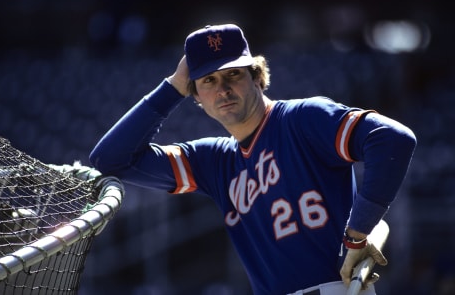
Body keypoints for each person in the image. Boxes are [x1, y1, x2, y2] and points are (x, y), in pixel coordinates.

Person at [89, 23, 417, 295]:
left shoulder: (303, 118)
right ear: (197, 97)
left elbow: (391, 139)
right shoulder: (213, 160)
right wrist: (173, 86)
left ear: (257, 76)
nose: (223, 89)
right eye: (208, 81)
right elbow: (111, 159)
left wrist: (356, 233)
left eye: (233, 74)